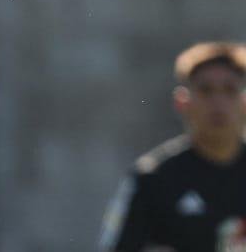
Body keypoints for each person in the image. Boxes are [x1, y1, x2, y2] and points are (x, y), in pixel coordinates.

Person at [99, 42, 246, 252]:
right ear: (182, 102)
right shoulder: (153, 178)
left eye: (230, 90)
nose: (218, 102)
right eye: (205, 90)